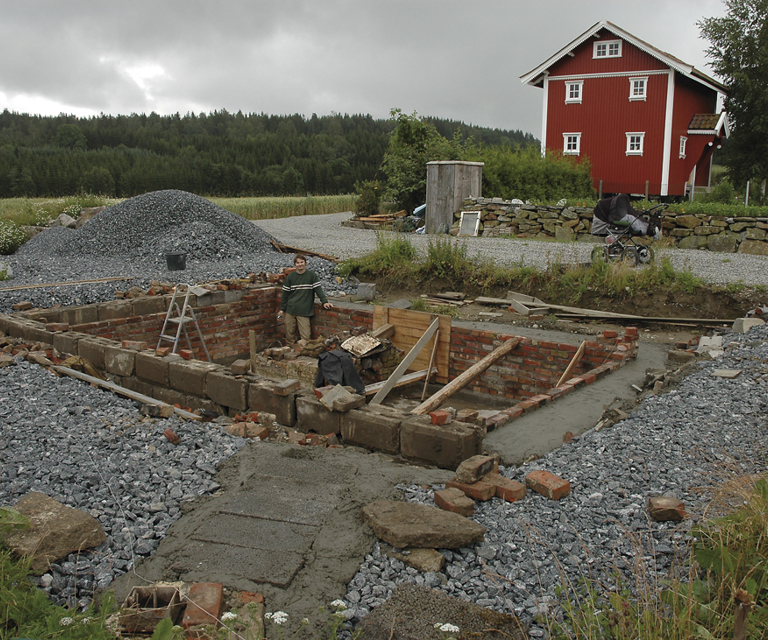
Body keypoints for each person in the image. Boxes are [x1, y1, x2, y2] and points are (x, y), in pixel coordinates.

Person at [277, 254, 333, 344]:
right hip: (290, 309)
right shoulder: (290, 277)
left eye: (302, 262)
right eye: (298, 263)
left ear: (305, 263)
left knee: (306, 336)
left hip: (304, 310)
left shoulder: (312, 276)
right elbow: (285, 295)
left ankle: (302, 352)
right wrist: (282, 309)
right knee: (289, 334)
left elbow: (318, 290)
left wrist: (324, 302)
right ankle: (290, 351)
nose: (300, 264)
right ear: (295, 264)